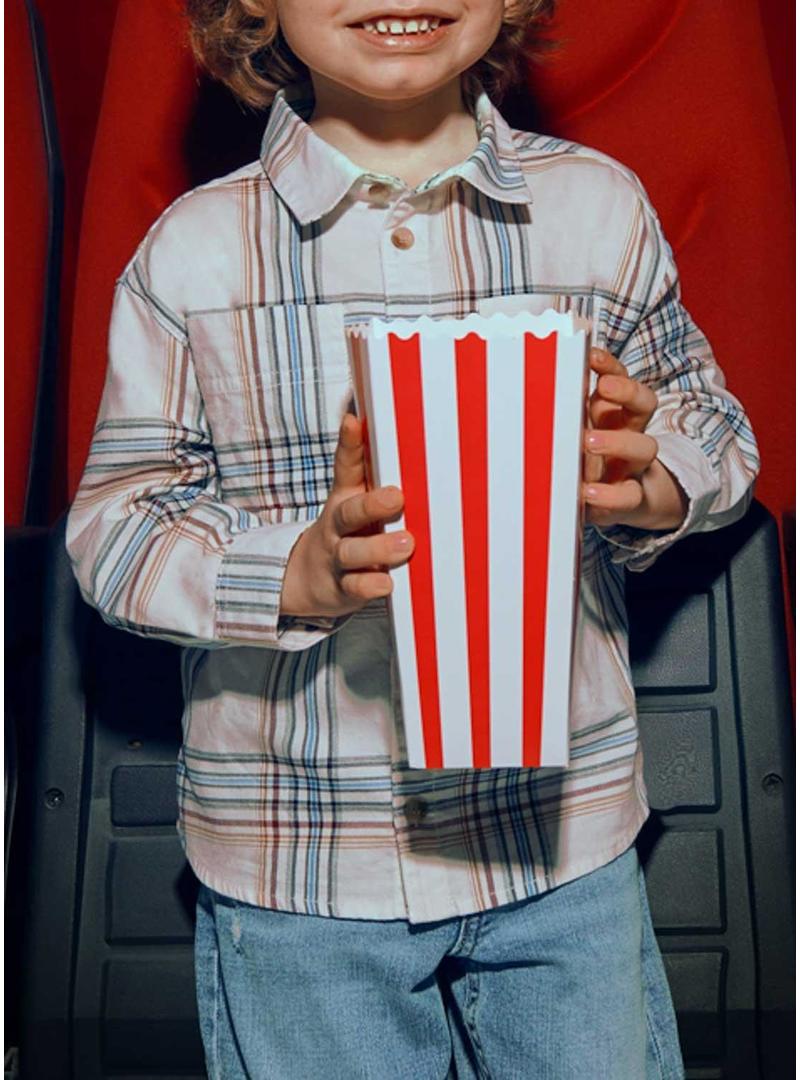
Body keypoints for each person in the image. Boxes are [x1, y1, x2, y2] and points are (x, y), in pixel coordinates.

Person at [66, 1, 759, 1076]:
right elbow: (117, 527)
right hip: (300, 869)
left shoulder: (597, 209)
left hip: (560, 844)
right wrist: (292, 573)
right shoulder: (193, 252)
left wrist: (648, 479)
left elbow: (713, 426)